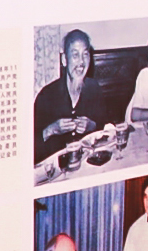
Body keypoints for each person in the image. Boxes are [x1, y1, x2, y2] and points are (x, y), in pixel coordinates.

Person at [35, 29, 102, 161]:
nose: (81, 63)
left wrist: (92, 126)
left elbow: (105, 128)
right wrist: (51, 130)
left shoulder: (94, 89)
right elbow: (30, 147)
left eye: (85, 55)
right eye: (75, 55)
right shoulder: (46, 96)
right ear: (64, 60)